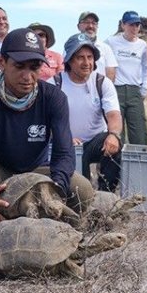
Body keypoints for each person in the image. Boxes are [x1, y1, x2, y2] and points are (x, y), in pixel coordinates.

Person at [0, 27, 95, 228]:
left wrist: (55, 189)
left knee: (83, 190)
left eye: (35, 67)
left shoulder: (54, 98)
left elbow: (64, 153)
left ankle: (43, 218)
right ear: (1, 62)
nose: (28, 76)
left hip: (36, 172)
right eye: (20, 66)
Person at [52, 33, 123, 192]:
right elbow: (45, 120)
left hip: (94, 141)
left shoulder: (102, 82)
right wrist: (64, 137)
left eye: (90, 57)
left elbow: (114, 115)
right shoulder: (55, 83)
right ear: (69, 60)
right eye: (80, 58)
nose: (86, 63)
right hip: (65, 143)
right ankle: (82, 196)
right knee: (80, 190)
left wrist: (114, 135)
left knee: (115, 144)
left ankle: (106, 195)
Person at [105, 11, 147, 145]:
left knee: (139, 132)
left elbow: (145, 67)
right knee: (117, 132)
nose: (134, 28)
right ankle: (117, 164)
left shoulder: (142, 45)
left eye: (137, 25)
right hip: (116, 89)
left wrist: (144, 88)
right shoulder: (111, 41)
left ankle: (140, 163)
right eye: (131, 25)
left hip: (134, 90)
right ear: (123, 25)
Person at [76, 11, 117, 81]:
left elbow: (111, 73)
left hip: (99, 90)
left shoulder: (106, 48)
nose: (90, 26)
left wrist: (104, 90)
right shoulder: (70, 47)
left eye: (94, 23)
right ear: (78, 26)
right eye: (86, 22)